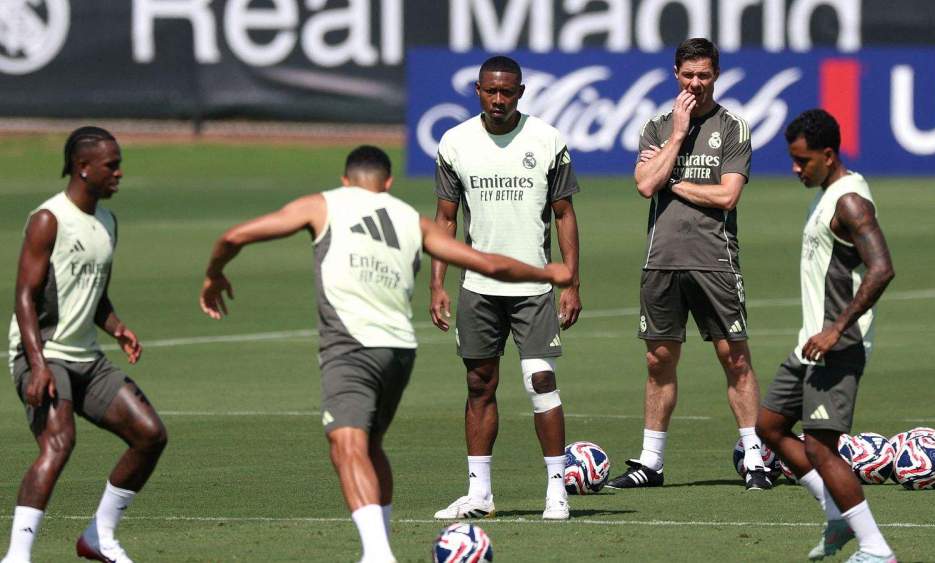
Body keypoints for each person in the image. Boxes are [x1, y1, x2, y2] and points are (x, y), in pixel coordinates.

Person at [199, 145, 571, 563]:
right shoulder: (411, 219)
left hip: (351, 346)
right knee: (370, 446)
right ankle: (380, 547)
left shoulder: (323, 205)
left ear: (345, 180)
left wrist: (214, 275)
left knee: (346, 445)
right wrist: (546, 272)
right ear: (388, 183)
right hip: (399, 352)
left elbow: (233, 237)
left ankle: (378, 555)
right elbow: (488, 264)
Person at [608, 38, 771, 491]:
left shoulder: (733, 126)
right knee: (658, 359)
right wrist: (678, 136)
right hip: (661, 259)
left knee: (734, 357)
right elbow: (644, 186)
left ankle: (755, 459)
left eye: (704, 75)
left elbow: (727, 195)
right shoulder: (657, 127)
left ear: (716, 75)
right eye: (688, 75)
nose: (695, 83)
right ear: (675, 74)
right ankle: (650, 462)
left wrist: (671, 179)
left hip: (715, 258)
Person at [2, 127, 168, 563]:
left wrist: (117, 327)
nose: (119, 173)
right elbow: (24, 296)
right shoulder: (48, 219)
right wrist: (37, 365)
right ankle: (17, 556)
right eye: (111, 165)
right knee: (59, 443)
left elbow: (94, 295)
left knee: (149, 435)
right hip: (43, 353)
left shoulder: (108, 222)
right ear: (83, 167)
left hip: (88, 359)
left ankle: (99, 536)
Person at [429, 55, 582, 521]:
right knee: (479, 384)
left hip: (534, 285)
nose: (499, 99)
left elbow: (564, 214)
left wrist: (571, 282)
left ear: (521, 92)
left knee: (540, 381)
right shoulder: (455, 143)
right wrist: (437, 283)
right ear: (478, 90)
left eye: (507, 91)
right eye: (491, 91)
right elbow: (445, 220)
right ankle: (479, 494)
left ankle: (557, 490)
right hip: (478, 287)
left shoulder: (547, 139)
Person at [756, 109, 896, 563]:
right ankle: (838, 514)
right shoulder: (829, 195)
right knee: (769, 426)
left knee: (820, 446)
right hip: (810, 346)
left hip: (837, 347)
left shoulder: (850, 202)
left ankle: (876, 548)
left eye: (803, 161)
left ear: (829, 155)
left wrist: (837, 329)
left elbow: (882, 269)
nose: (795, 168)